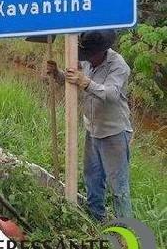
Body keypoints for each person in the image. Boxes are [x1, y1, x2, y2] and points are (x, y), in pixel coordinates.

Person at [47, 30, 134, 221]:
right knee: (92, 177)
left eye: (90, 55)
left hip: (114, 133)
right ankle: (96, 218)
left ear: (102, 51)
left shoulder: (118, 66)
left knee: (118, 186)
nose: (87, 59)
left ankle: (126, 229)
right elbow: (71, 81)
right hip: (92, 129)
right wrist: (57, 74)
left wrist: (86, 82)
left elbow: (111, 94)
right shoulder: (86, 61)